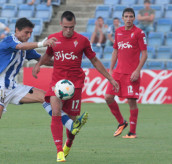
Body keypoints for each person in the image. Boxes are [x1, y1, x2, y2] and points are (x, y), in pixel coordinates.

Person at [0, 17, 82, 161]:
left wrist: (66, 62)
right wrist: (42, 43)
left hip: (13, 87)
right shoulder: (8, 41)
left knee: (44, 96)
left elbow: (42, 60)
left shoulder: (25, 47)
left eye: (30, 33)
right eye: (26, 33)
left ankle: (71, 124)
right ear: (17, 30)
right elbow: (22, 47)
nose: (28, 36)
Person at [32, 11, 119, 162]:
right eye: (65, 27)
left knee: (72, 124)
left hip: (75, 85)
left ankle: (68, 143)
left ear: (74, 25)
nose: (68, 30)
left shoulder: (83, 40)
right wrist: (38, 65)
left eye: (71, 27)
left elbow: (95, 61)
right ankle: (59, 151)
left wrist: (110, 78)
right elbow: (47, 55)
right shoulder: (54, 39)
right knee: (56, 112)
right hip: (57, 83)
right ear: (61, 24)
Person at [104, 8, 148, 139]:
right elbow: (115, 51)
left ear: (134, 18)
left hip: (131, 74)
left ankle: (132, 132)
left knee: (131, 101)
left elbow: (145, 54)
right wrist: (111, 69)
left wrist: (137, 70)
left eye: (131, 16)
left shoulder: (139, 33)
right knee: (108, 97)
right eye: (126, 16)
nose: (128, 19)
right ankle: (121, 122)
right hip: (118, 72)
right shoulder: (118, 32)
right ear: (123, 18)